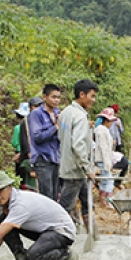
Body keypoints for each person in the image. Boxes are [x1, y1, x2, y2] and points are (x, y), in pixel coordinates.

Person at [58, 79, 98, 225]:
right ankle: (56, 238)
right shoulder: (80, 117)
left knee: (87, 201)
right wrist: (88, 168)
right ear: (82, 94)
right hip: (76, 169)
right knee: (65, 207)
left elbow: (61, 137)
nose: (93, 100)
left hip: (68, 166)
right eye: (92, 96)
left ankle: (92, 235)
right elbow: (78, 145)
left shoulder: (66, 113)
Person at [29, 84, 62, 200]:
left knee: (55, 195)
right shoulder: (36, 114)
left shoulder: (58, 113)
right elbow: (37, 136)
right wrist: (55, 128)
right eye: (53, 97)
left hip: (56, 158)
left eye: (58, 97)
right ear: (44, 97)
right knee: (46, 195)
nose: (56, 100)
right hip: (43, 159)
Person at [94, 107, 117, 208]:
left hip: (103, 159)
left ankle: (102, 199)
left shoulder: (102, 130)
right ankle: (108, 201)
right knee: (109, 180)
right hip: (103, 159)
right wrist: (108, 162)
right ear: (106, 120)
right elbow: (104, 147)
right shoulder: (102, 130)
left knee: (104, 180)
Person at [11, 102, 34, 190]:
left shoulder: (18, 127)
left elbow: (14, 142)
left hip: (20, 154)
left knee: (21, 176)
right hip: (31, 153)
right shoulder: (34, 125)